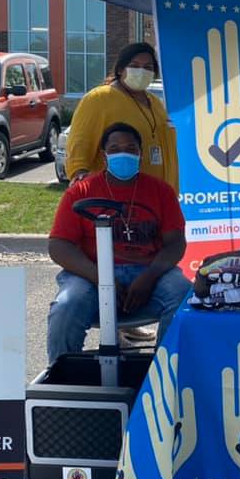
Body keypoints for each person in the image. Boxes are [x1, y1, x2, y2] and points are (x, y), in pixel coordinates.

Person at [47, 122, 191, 363]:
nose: (122, 153)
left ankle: (164, 375)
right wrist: (101, 278)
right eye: (114, 149)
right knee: (65, 307)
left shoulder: (161, 192)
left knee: (182, 296)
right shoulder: (80, 192)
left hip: (149, 272)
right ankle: (62, 380)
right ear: (104, 156)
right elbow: (59, 246)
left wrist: (149, 277)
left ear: (140, 154)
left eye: (130, 148)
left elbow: (175, 243)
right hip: (90, 275)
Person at [66, 43, 179, 191]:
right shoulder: (99, 98)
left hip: (159, 195)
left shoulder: (156, 103)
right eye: (135, 65)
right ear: (120, 69)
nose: (141, 71)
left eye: (148, 67)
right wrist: (79, 177)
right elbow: (80, 144)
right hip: (117, 195)